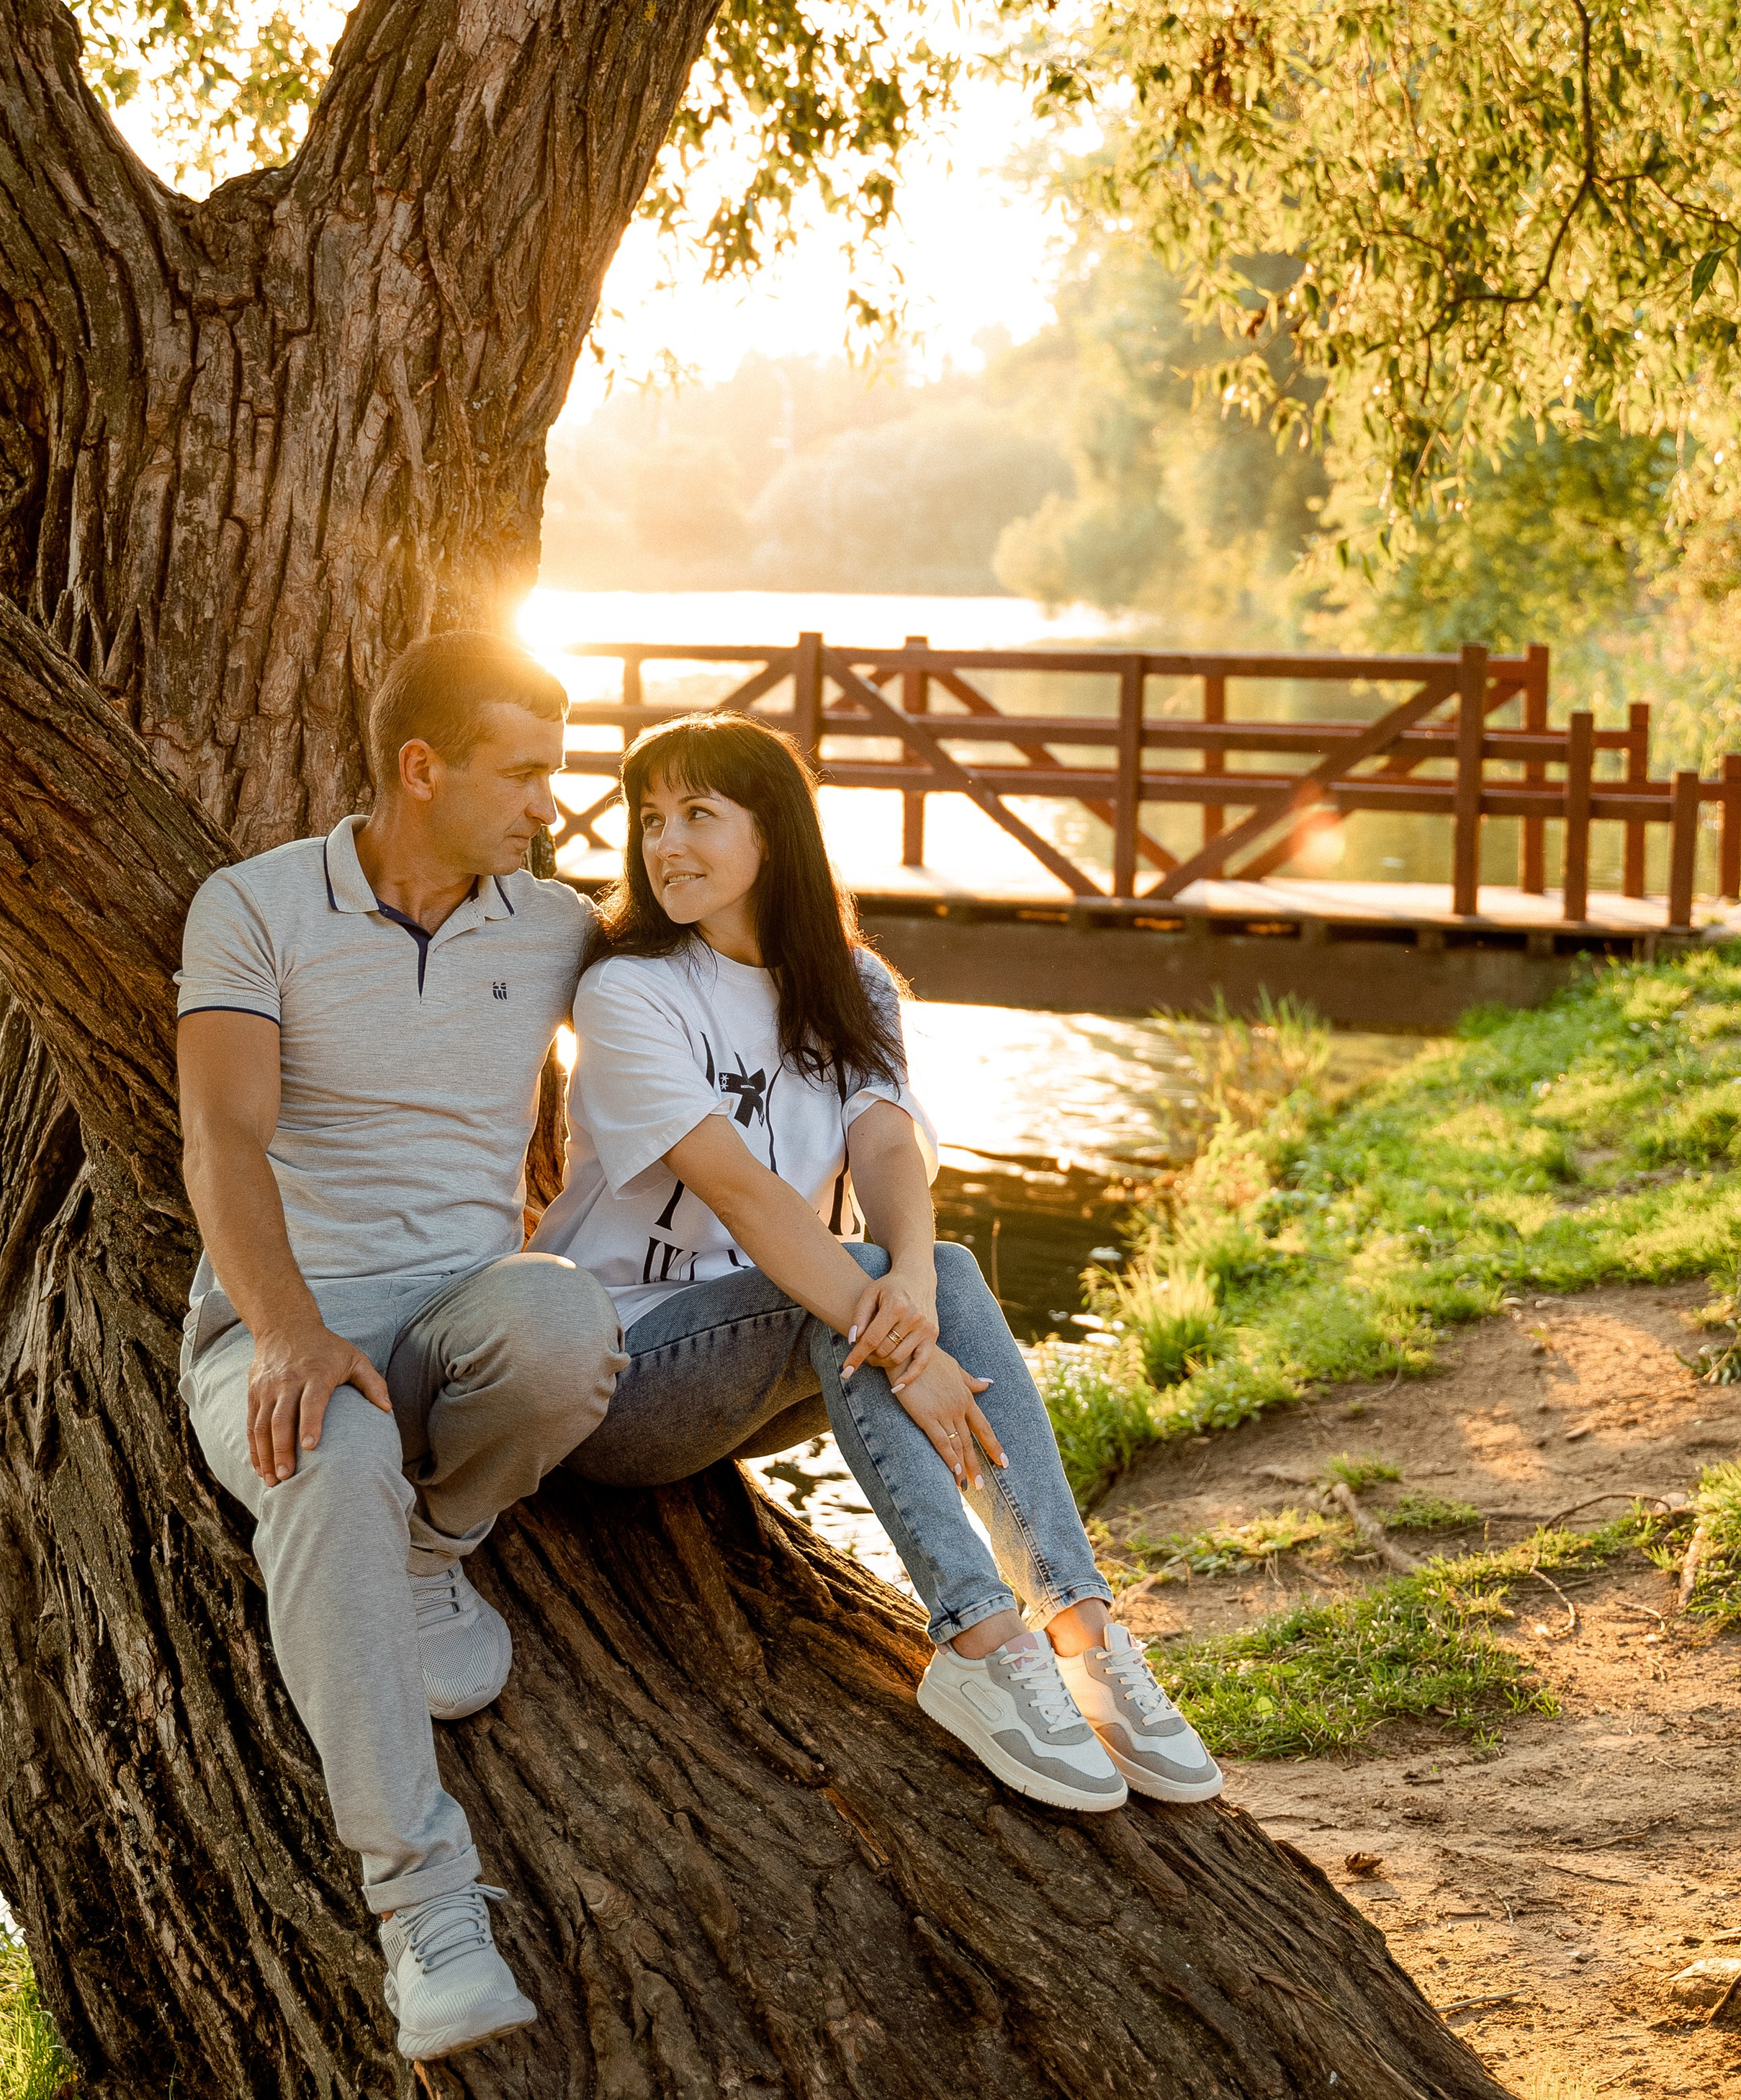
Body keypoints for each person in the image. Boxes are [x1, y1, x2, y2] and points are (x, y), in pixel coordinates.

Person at [532, 712, 1222, 1813]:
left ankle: (1082, 1629)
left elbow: (889, 1147)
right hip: (616, 1373)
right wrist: (903, 1341)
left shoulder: (853, 984)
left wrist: (909, 1290)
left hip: (770, 1359)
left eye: (698, 814)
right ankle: (981, 1641)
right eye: (650, 819)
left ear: (773, 833)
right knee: (843, 1288)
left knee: (935, 1262)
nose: (666, 843)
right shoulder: (630, 990)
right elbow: (743, 1194)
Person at [175, 632, 625, 2065]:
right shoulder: (254, 906)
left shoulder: (554, 926)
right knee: (330, 1440)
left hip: (459, 1327)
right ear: (422, 768)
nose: (550, 805)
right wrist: (290, 1330)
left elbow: (718, 997)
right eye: (525, 773)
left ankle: (432, 1549)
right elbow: (221, 1135)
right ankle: (421, 1904)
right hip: (272, 1322)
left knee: (566, 1321)